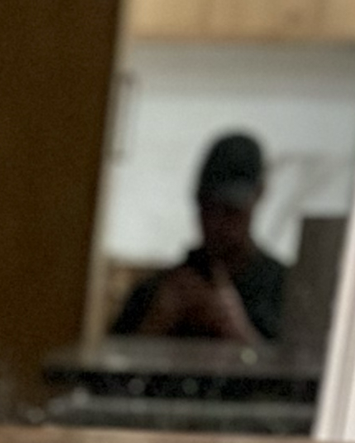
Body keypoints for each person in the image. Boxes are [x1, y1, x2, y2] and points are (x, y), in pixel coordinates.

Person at [113, 132, 287, 344]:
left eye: (231, 210)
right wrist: (157, 321)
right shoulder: (154, 292)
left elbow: (304, 370)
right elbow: (109, 365)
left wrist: (241, 334)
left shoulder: (287, 292)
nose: (216, 224)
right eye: (208, 209)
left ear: (259, 194)